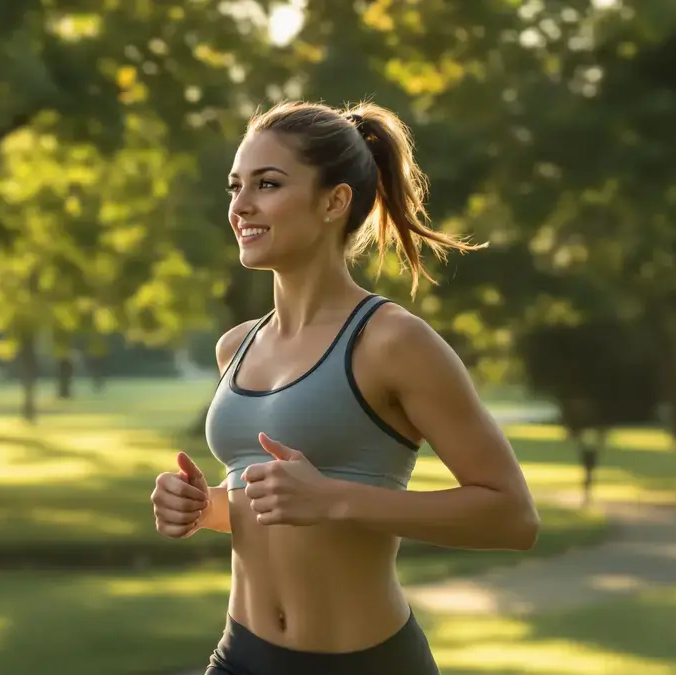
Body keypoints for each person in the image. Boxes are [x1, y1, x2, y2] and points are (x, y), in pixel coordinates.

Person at [150, 100, 541, 675]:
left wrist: (334, 498)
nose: (240, 207)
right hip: (241, 657)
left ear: (335, 202)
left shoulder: (393, 343)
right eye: (235, 187)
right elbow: (276, 510)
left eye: (268, 184)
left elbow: (513, 518)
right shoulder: (236, 347)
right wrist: (202, 507)